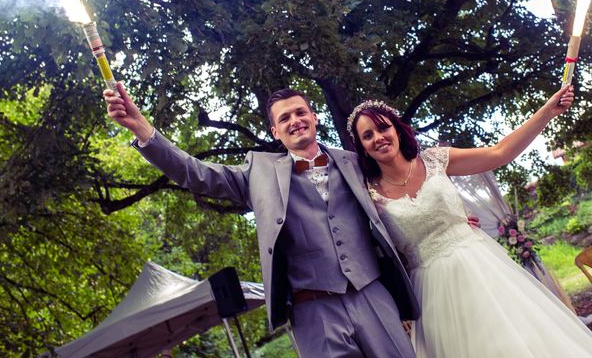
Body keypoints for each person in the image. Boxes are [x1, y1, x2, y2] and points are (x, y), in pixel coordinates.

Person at [104, 83, 418, 357]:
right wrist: (142, 129)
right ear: (275, 132)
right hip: (313, 311)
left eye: (300, 113)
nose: (295, 121)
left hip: (373, 295)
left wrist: (455, 215)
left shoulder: (354, 161)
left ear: (314, 117)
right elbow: (194, 173)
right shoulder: (258, 172)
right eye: (285, 118)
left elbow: (401, 180)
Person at [347, 85, 592, 358]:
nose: (378, 138)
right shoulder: (368, 195)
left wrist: (547, 112)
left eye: (383, 128)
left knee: (516, 343)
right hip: (431, 292)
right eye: (368, 136)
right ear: (362, 149)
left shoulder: (436, 160)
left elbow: (499, 153)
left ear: (396, 129)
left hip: (480, 267)